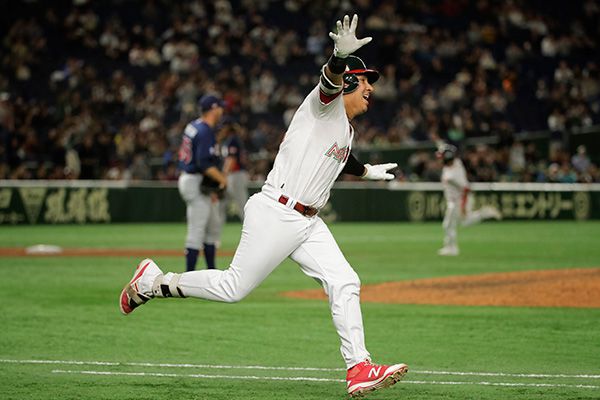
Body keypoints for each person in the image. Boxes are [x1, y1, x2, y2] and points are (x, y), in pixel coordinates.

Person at [120, 15, 407, 397]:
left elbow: (341, 157)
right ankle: (153, 282)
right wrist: (339, 57)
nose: (370, 87)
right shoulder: (324, 105)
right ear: (349, 83)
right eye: (365, 80)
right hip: (278, 211)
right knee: (232, 287)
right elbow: (328, 81)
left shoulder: (345, 128)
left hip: (307, 221)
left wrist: (366, 170)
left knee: (345, 281)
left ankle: (358, 367)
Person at [176, 94, 228, 270]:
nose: (222, 110)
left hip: (194, 179)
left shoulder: (194, 125)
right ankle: (188, 276)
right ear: (213, 109)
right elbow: (203, 163)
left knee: (213, 227)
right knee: (197, 231)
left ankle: (211, 273)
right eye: (220, 107)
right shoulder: (205, 130)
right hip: (195, 181)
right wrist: (223, 180)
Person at [437, 143, 502, 256]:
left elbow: (466, 189)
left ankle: (452, 248)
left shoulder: (452, 175)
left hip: (459, 200)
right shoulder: (457, 163)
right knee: (462, 222)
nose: (440, 158)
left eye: (442, 156)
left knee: (449, 224)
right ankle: (484, 213)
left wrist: (462, 206)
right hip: (457, 199)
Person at [218, 119, 249, 220]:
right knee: (221, 203)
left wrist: (223, 176)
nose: (221, 130)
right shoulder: (231, 139)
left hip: (236, 175)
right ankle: (215, 229)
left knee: (241, 205)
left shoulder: (233, 139)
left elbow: (232, 160)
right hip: (233, 175)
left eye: (222, 127)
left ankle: (252, 229)